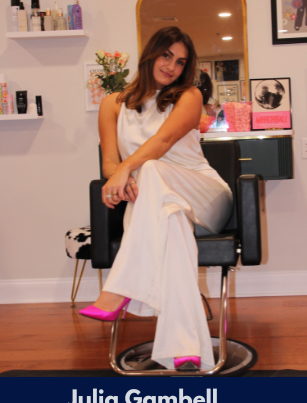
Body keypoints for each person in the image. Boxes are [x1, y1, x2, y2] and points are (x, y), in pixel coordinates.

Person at [79, 26, 233, 371]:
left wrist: (127, 171)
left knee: (150, 170)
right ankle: (185, 348)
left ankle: (119, 288)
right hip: (162, 201)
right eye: (166, 55)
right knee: (171, 219)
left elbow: (162, 144)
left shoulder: (188, 95)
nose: (172, 67)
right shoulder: (112, 105)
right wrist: (117, 174)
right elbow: (109, 162)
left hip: (205, 195)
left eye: (180, 62)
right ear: (151, 53)